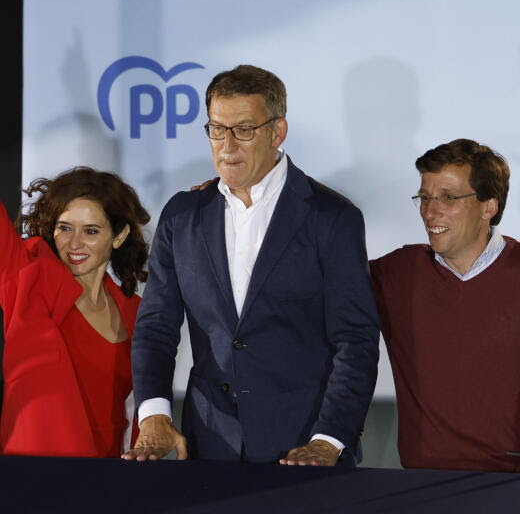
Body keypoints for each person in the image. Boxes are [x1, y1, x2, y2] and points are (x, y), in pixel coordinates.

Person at [123, 64, 379, 466]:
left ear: (277, 132)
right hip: (209, 446)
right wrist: (154, 413)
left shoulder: (332, 217)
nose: (227, 146)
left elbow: (355, 341)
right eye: (216, 129)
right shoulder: (182, 215)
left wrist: (328, 440)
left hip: (304, 447)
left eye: (244, 129)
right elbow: (156, 327)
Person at [370, 138, 519, 472]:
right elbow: (318, 280)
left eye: (448, 198)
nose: (429, 211)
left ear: (488, 207)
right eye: (424, 197)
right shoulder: (398, 272)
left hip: (509, 486)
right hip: (422, 484)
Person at [0, 166, 150, 457]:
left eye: (91, 231)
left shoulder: (136, 313)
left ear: (118, 236)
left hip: (107, 482)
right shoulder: (28, 276)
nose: (74, 243)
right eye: (65, 228)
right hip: (33, 475)